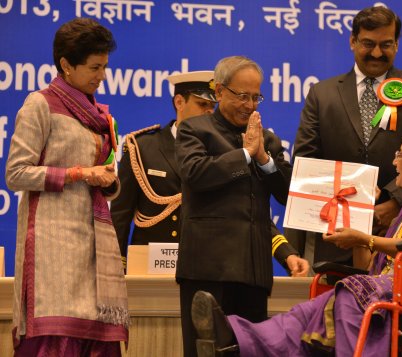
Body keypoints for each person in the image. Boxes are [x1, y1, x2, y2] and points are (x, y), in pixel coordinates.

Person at [190, 127, 402, 357]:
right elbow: (369, 267)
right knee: (308, 311)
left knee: (349, 295)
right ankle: (234, 339)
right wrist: (356, 232)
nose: (394, 162)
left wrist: (365, 238)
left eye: (401, 156)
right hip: (394, 287)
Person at [285, 5, 402, 269]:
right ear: (352, 42)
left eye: (386, 45)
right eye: (368, 44)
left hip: (401, 231)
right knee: (331, 306)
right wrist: (349, 209)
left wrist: (396, 201)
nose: (376, 53)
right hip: (333, 233)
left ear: (396, 44)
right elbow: (306, 159)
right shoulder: (322, 94)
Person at [5, 18, 128, 356]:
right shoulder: (40, 104)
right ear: (66, 65)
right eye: (94, 67)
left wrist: (107, 179)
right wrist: (77, 174)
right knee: (57, 339)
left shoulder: (100, 115)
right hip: (53, 248)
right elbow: (15, 173)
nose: (102, 75)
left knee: (98, 338)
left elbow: (102, 175)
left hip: (94, 246)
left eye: (104, 66)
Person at [175, 55, 310, 357]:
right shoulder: (194, 130)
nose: (249, 105)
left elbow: (288, 195)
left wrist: (263, 158)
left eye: (255, 97)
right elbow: (195, 175)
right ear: (220, 91)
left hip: (253, 272)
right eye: (241, 96)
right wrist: (245, 155)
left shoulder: (268, 141)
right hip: (208, 269)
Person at [110, 71, 217, 266]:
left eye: (212, 106)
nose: (209, 111)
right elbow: (120, 215)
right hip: (149, 266)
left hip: (201, 264)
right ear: (179, 102)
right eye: (202, 104)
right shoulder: (142, 147)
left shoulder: (220, 152)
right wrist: (117, 266)